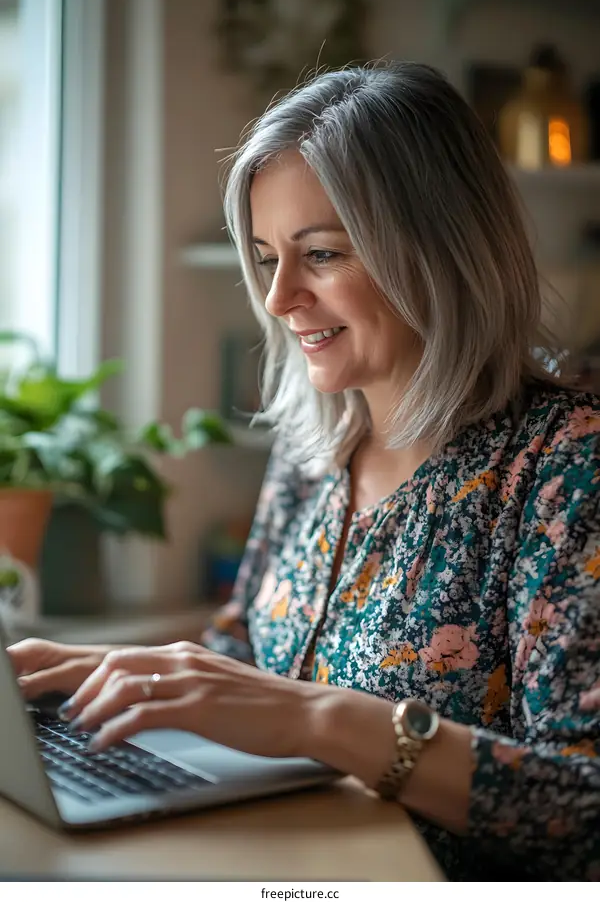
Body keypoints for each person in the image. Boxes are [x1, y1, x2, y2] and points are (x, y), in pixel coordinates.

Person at [8, 61, 600, 881]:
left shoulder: (567, 466)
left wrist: (320, 719)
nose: (280, 298)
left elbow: (581, 803)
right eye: (264, 257)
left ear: (439, 250)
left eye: (319, 254)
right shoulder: (312, 443)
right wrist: (124, 679)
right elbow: (246, 644)